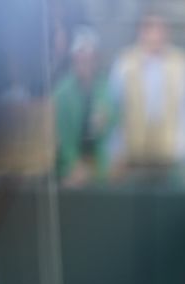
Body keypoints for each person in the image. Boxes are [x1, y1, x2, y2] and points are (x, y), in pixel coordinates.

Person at [104, 11, 185, 182]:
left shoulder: (182, 63)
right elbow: (113, 108)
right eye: (150, 28)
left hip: (171, 154)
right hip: (133, 154)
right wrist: (115, 150)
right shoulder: (124, 63)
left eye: (161, 28)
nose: (156, 34)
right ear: (141, 32)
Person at [52, 26, 115, 185]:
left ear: (96, 59)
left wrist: (107, 120)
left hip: (101, 165)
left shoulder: (107, 87)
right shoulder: (62, 93)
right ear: (73, 59)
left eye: (90, 58)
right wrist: (74, 166)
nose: (85, 62)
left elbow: (116, 123)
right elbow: (63, 139)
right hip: (69, 165)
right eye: (80, 57)